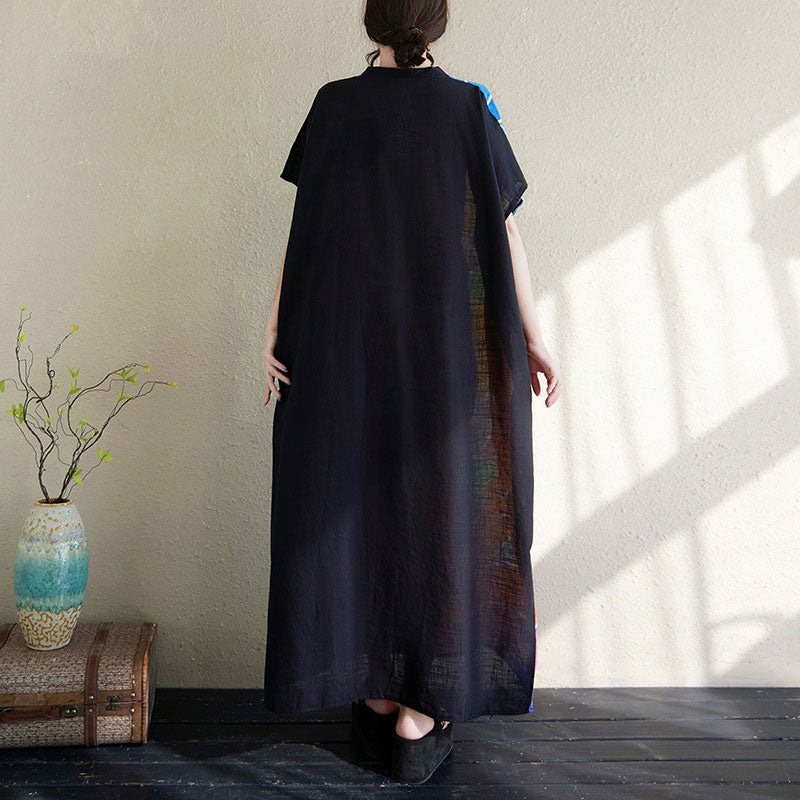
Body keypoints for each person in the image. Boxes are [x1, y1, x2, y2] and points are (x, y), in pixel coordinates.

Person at [262, 0, 562, 785]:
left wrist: (273, 330)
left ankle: (372, 686)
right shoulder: (467, 106)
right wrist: (533, 335)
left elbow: (305, 232)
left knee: (351, 506)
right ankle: (420, 710)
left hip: (343, 355)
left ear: (372, 23)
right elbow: (504, 230)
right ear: (437, 22)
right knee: (440, 511)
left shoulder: (334, 105)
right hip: (445, 356)